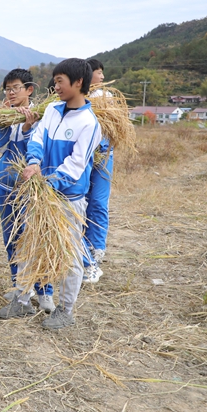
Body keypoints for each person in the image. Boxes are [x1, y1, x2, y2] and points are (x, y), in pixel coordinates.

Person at [0, 59, 101, 330]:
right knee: (28, 244)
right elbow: (37, 139)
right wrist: (33, 162)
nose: (55, 87)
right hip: (41, 194)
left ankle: (65, 309)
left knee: (70, 252)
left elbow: (76, 165)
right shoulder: (53, 111)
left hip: (68, 198)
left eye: (60, 82)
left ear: (79, 83)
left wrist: (50, 183)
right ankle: (21, 299)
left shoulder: (89, 124)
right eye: (54, 82)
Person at [0, 69, 54, 314]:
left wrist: (28, 127)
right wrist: (6, 122)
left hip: (32, 189)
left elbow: (40, 150)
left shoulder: (43, 114)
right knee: (11, 239)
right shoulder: (4, 115)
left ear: (29, 89)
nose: (11, 93)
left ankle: (45, 291)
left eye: (16, 88)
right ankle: (19, 288)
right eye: (7, 89)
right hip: (6, 186)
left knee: (35, 239)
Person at [83, 58, 111, 283]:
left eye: (102, 73)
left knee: (98, 203)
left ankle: (95, 253)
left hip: (102, 157)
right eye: (98, 72)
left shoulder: (107, 98)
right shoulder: (77, 98)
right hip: (83, 158)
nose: (102, 77)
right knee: (81, 203)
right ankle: (83, 254)